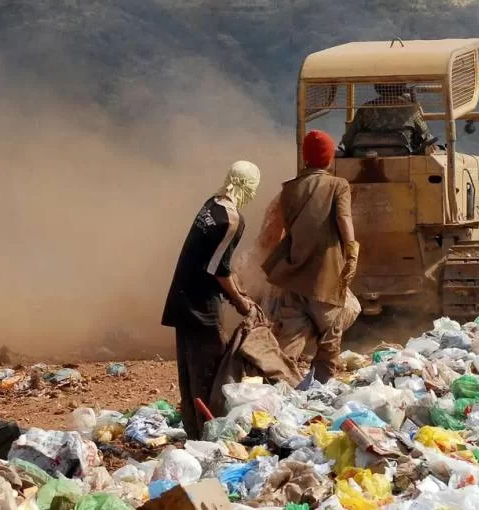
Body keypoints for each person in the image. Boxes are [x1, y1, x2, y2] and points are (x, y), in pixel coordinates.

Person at [161, 160, 260, 439]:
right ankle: (210, 436)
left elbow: (219, 262)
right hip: (201, 306)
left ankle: (193, 431)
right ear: (248, 186)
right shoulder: (232, 220)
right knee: (210, 371)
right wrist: (240, 301)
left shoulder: (211, 205)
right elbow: (219, 270)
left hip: (182, 297)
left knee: (189, 371)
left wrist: (240, 292)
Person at [262, 130, 359, 383]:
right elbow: (344, 219)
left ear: (305, 157)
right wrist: (352, 252)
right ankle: (322, 385)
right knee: (331, 332)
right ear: (328, 158)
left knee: (292, 334)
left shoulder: (289, 189)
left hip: (293, 274)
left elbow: (277, 232)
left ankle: (278, 384)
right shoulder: (338, 185)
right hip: (325, 276)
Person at [340, 83, 434, 156]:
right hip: (404, 159)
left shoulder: (365, 109)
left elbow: (348, 140)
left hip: (366, 160)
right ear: (402, 86)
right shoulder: (411, 109)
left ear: (378, 87)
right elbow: (426, 138)